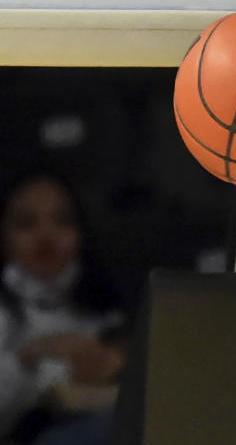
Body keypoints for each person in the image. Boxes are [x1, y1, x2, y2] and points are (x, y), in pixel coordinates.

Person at [0, 172, 126, 445]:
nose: (46, 235)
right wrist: (32, 354)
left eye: (62, 221)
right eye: (26, 223)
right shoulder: (5, 313)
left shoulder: (103, 310)